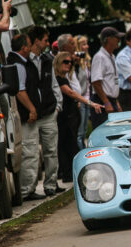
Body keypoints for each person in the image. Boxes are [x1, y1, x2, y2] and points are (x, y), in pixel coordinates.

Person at [6, 34, 46, 200]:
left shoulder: (16, 62)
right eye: (29, 45)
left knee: (29, 151)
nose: (30, 49)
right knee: (30, 152)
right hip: (26, 117)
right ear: (23, 48)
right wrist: (32, 109)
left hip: (22, 117)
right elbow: (20, 91)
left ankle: (26, 188)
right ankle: (27, 190)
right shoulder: (19, 65)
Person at [26, 26, 65, 196]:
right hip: (31, 116)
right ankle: (29, 189)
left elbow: (53, 84)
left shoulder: (47, 60)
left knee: (51, 151)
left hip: (49, 112)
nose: (48, 44)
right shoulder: (24, 60)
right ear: (36, 41)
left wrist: (58, 105)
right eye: (45, 40)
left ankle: (51, 185)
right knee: (32, 153)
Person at [54, 52, 103, 182]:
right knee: (67, 145)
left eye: (70, 62)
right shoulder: (59, 79)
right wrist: (91, 103)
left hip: (71, 116)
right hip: (64, 117)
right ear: (58, 63)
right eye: (65, 62)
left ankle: (72, 174)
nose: (69, 64)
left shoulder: (65, 78)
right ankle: (69, 174)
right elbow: (71, 93)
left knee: (71, 143)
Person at [91, 27, 124, 129]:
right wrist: (106, 102)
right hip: (102, 101)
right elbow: (96, 82)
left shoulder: (112, 56)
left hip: (111, 100)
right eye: (116, 38)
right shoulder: (99, 57)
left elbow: (111, 82)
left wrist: (116, 102)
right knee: (104, 132)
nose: (119, 40)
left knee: (115, 131)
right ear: (108, 39)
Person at [74, 35, 91, 148]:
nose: (86, 46)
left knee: (84, 131)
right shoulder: (75, 63)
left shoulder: (87, 61)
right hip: (80, 99)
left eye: (86, 44)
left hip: (88, 99)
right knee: (79, 133)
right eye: (83, 44)